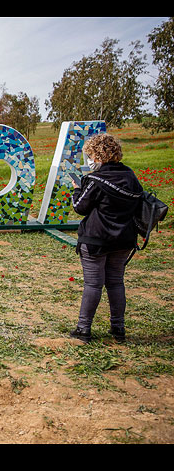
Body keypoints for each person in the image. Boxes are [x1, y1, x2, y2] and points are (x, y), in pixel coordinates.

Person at [69, 133, 143, 343]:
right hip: (124, 239)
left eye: (90, 155)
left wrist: (76, 190)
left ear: (99, 156)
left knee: (93, 285)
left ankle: (84, 329)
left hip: (96, 239)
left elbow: (80, 207)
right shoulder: (130, 175)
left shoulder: (94, 180)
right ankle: (118, 328)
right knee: (116, 283)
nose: (89, 160)